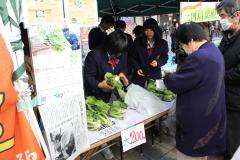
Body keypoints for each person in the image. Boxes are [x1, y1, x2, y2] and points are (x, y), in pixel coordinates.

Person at [163, 22, 226, 160]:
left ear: (191, 41)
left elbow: (177, 83)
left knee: (190, 156)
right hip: (210, 118)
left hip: (196, 123)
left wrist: (167, 77)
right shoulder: (214, 51)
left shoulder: (199, 57)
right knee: (203, 155)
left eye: (182, 44)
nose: (183, 48)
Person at [216, 0, 240, 159]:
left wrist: (220, 76)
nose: (221, 20)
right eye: (220, 17)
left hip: (236, 97)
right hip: (224, 94)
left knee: (234, 132)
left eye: (223, 16)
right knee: (225, 130)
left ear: (237, 15)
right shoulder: (227, 36)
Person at [84, 29, 129, 102]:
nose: (120, 55)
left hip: (115, 94)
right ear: (110, 47)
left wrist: (122, 73)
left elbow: (124, 67)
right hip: (98, 96)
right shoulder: (94, 55)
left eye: (121, 52)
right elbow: (88, 76)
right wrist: (99, 84)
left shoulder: (122, 52)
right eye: (118, 53)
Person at [131, 18, 168, 87]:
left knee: (155, 96)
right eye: (146, 30)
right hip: (139, 76)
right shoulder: (137, 42)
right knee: (138, 95)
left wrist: (158, 63)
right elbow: (132, 57)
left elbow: (165, 58)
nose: (149, 32)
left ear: (156, 30)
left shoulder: (163, 43)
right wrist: (137, 68)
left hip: (155, 76)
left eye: (151, 30)